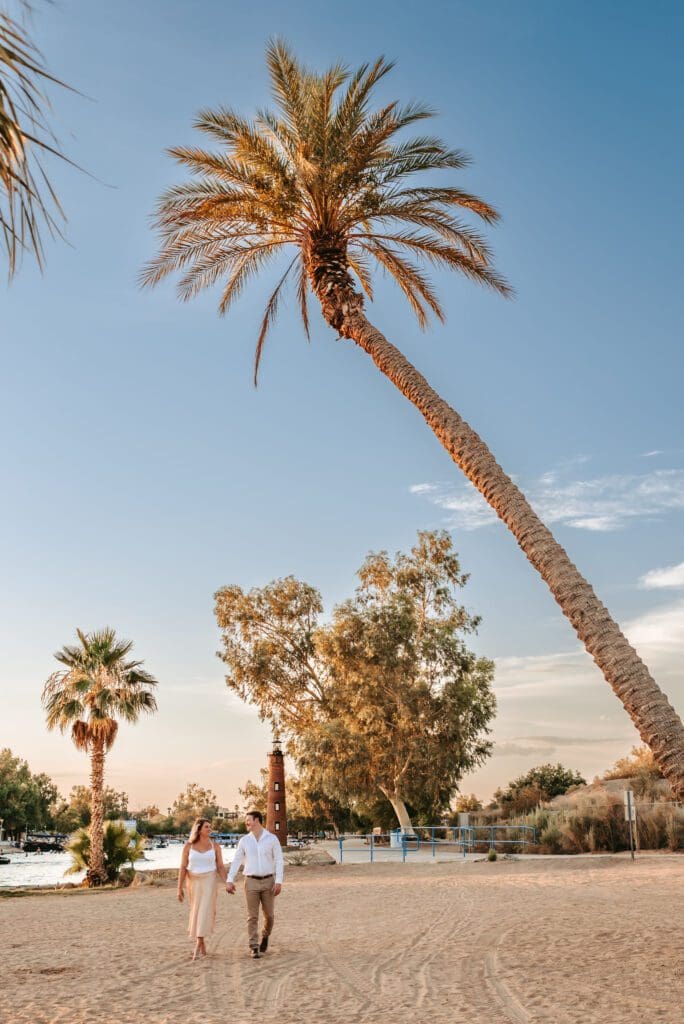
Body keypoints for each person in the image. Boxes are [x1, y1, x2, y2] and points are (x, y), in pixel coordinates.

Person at [225, 810, 284, 959]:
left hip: (268, 881)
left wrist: (279, 881)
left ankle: (265, 935)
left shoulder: (272, 839)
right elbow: (237, 860)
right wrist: (229, 879)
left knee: (269, 916)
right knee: (252, 916)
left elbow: (278, 860)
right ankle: (253, 946)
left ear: (257, 820)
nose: (246, 822)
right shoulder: (244, 840)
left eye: (248, 820)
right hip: (250, 881)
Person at [178, 817, 227, 960]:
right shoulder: (188, 846)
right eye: (207, 827)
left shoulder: (215, 846)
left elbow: (220, 866)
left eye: (210, 826)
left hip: (210, 880)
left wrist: (227, 882)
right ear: (199, 829)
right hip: (193, 881)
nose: (210, 829)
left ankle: (198, 943)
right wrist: (179, 888)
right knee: (197, 910)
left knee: (205, 910)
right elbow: (182, 867)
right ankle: (202, 944)